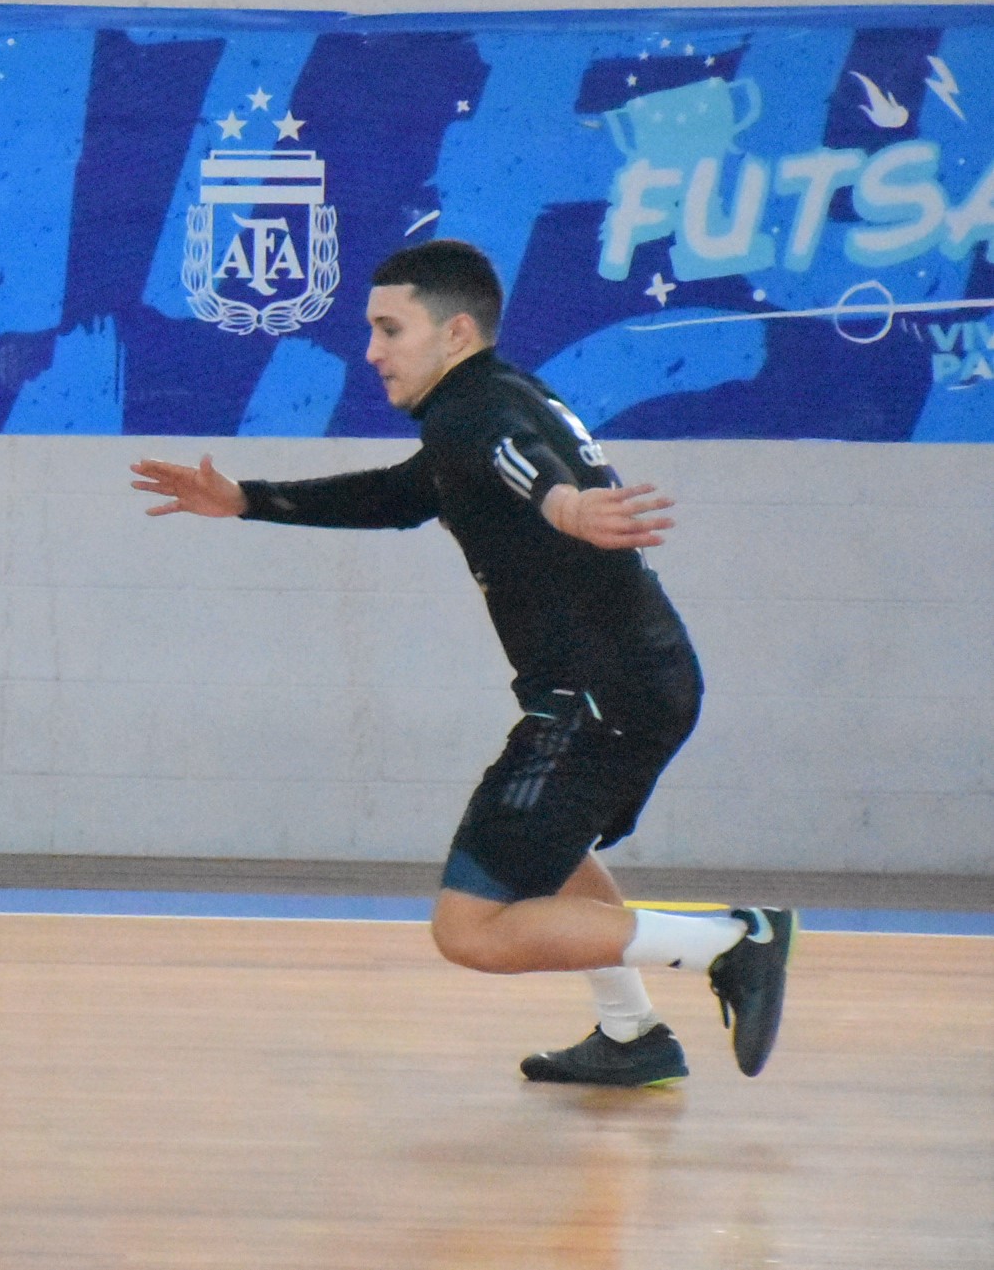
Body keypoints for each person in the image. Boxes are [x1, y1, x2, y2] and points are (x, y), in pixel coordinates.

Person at [131, 239, 794, 1086]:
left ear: (452, 334)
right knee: (550, 851)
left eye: (386, 328)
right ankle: (631, 1035)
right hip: (635, 682)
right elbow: (400, 494)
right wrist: (247, 501)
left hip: (598, 699)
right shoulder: (489, 398)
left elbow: (519, 464)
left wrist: (563, 505)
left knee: (470, 927)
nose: (370, 350)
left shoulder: (475, 415)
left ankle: (734, 940)